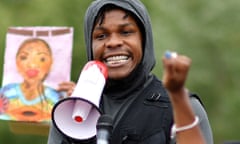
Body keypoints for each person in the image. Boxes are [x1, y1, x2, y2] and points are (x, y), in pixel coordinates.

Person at [48, 0, 213, 143]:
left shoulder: (182, 107)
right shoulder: (70, 110)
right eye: (101, 36)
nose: (113, 43)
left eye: (126, 32)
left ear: (144, 40)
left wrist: (178, 97)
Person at [0, 38, 63, 122]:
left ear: (51, 64)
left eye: (42, 59)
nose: (32, 64)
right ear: (16, 63)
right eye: (24, 57)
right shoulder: (6, 92)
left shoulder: (55, 98)